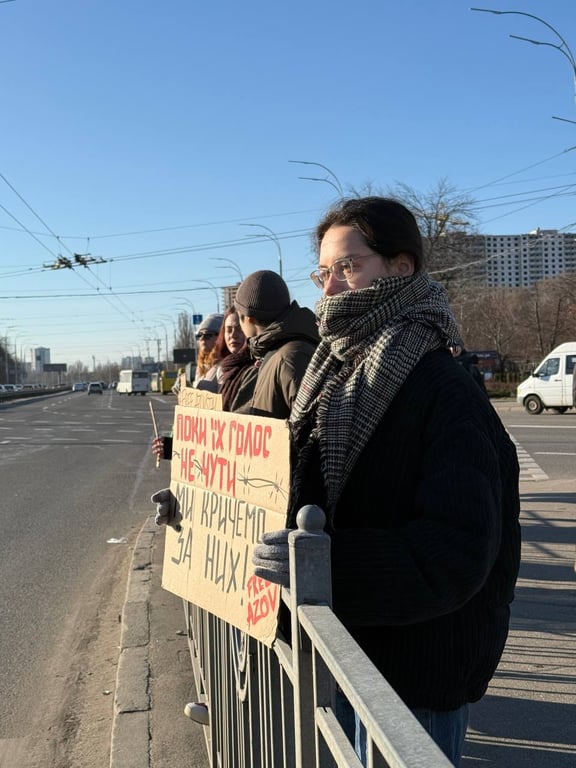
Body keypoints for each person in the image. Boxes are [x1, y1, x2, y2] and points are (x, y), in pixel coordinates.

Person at [252, 197, 521, 767]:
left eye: (348, 267)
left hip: (416, 675)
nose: (329, 291)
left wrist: (325, 566)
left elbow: (456, 553)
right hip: (350, 653)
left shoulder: (443, 389)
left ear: (403, 267)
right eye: (323, 273)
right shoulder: (335, 369)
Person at [230, 269, 319, 417]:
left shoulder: (290, 358)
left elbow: (313, 429)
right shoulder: (276, 354)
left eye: (239, 318)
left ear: (248, 318)